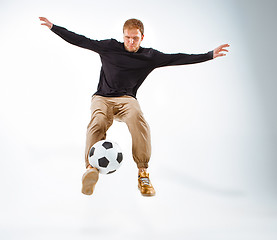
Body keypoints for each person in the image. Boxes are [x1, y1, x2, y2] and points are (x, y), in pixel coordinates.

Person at [39, 17, 229, 197]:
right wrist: (54, 27)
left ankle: (143, 173)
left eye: (135, 38)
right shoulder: (109, 47)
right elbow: (81, 40)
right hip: (102, 98)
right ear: (123, 36)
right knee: (97, 121)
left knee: (137, 119)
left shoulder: (149, 56)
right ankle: (91, 169)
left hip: (126, 99)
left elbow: (176, 58)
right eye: (127, 38)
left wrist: (209, 55)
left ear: (142, 37)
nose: (130, 42)